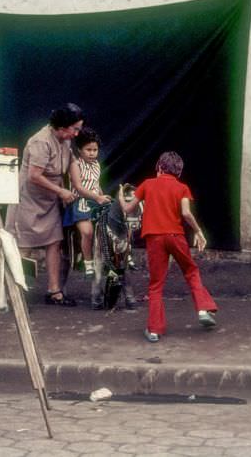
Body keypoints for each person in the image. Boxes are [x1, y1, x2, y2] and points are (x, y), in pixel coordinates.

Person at [121, 151, 218, 342]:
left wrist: (119, 195)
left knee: (156, 285)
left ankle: (155, 330)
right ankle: (202, 310)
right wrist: (198, 231)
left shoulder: (148, 184)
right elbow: (186, 213)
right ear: (178, 172)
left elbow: (127, 208)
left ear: (159, 167)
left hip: (154, 239)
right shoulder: (182, 187)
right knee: (191, 271)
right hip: (176, 237)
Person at [6, 103, 83, 306]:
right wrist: (61, 191)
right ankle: (16, 295)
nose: (76, 134)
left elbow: (71, 162)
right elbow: (34, 176)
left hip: (48, 200)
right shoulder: (40, 141)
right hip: (29, 199)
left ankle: (54, 291)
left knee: (54, 242)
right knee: (23, 246)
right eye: (74, 129)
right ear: (62, 126)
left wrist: (82, 188)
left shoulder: (64, 141)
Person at [62, 127, 111, 279]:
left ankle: (113, 260)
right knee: (87, 231)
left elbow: (96, 184)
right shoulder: (75, 164)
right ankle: (87, 263)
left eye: (95, 150)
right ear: (79, 150)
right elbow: (78, 187)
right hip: (80, 202)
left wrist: (102, 196)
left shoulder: (96, 165)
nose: (92, 153)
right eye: (88, 149)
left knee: (115, 226)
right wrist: (97, 198)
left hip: (96, 200)